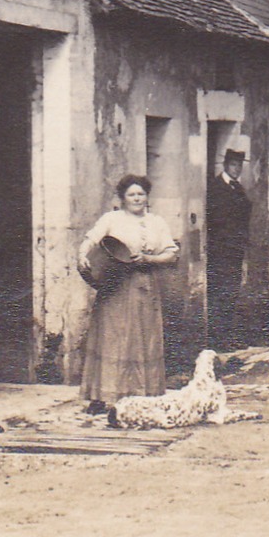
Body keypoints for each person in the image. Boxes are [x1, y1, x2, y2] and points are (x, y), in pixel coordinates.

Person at [78, 175, 180, 414]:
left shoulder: (157, 222)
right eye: (132, 194)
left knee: (143, 337)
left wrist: (149, 259)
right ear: (123, 198)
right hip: (116, 286)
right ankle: (103, 396)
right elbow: (91, 239)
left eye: (141, 194)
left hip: (145, 286)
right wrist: (82, 254)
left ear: (147, 197)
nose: (137, 198)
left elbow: (172, 254)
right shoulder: (112, 219)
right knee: (112, 337)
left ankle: (144, 394)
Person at [206, 149, 252, 348]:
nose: (237, 169)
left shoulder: (238, 187)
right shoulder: (216, 187)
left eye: (240, 165)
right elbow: (216, 219)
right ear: (225, 165)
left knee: (231, 292)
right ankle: (218, 338)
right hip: (221, 251)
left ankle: (228, 336)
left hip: (235, 250)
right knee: (220, 291)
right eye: (233, 165)